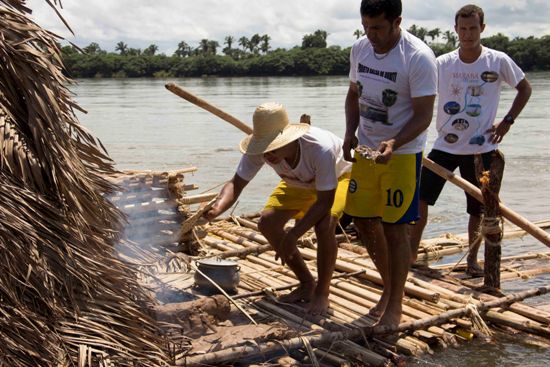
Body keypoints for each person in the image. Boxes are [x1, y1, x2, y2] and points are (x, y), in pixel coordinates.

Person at [409, 4, 532, 276]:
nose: (467, 34)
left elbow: (525, 88)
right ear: (455, 30)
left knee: (479, 208)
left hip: (482, 147)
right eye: (462, 29)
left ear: (482, 29)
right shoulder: (442, 64)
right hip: (445, 145)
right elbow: (416, 92)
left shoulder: (497, 61)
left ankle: (473, 261)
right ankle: (410, 255)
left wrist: (508, 121)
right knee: (420, 198)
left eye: (472, 28)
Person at [205, 102, 351, 315]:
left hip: (339, 176)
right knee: (267, 223)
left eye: (273, 147)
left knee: (324, 225)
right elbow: (236, 183)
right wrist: (217, 208)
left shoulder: (320, 149)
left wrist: (293, 234)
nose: (268, 155)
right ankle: (306, 284)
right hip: (299, 181)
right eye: (264, 149)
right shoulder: (261, 150)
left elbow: (324, 202)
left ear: (289, 139)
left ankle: (322, 293)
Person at [343, 0, 437, 327]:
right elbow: (353, 94)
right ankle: (388, 288)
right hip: (367, 149)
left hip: (402, 153)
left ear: (397, 21)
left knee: (395, 228)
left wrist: (395, 142)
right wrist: (349, 132)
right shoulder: (360, 49)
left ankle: (395, 304)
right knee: (364, 222)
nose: (371, 34)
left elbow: (424, 114)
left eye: (378, 28)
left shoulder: (418, 57)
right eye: (366, 27)